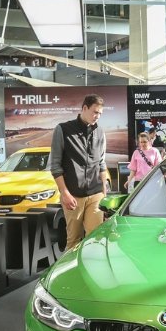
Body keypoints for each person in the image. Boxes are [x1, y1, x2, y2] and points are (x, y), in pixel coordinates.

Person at [50, 93, 109, 249]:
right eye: (95, 112)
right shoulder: (63, 130)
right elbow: (55, 166)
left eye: (100, 114)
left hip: (95, 194)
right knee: (74, 241)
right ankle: (71, 272)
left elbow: (101, 163)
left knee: (95, 240)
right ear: (84, 108)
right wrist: (65, 193)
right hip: (73, 196)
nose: (97, 116)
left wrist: (104, 192)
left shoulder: (100, 132)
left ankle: (94, 272)